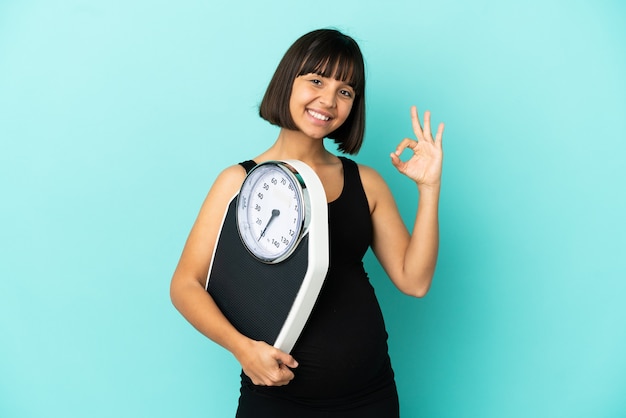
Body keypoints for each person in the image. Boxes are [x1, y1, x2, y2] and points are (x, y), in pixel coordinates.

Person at [170, 28, 444, 417]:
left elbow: (413, 281)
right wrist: (242, 348)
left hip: (371, 396)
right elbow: (185, 284)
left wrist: (429, 188)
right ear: (288, 81)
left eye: (345, 91)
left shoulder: (365, 182)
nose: (328, 100)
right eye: (316, 80)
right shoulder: (237, 182)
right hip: (277, 399)